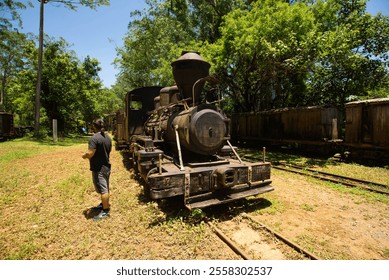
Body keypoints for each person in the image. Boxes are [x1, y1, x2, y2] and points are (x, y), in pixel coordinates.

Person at [82, 118, 112, 221]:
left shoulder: (94, 138)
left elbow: (91, 153)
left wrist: (85, 155)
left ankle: (105, 211)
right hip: (106, 166)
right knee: (105, 187)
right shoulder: (108, 138)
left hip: (98, 168)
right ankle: (104, 204)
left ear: (94, 126)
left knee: (103, 189)